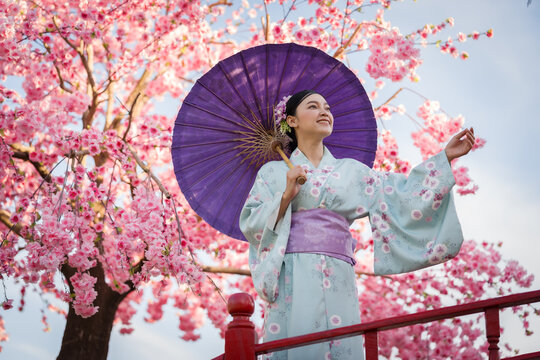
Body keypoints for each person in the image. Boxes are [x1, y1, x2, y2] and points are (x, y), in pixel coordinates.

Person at [239, 89, 475, 360]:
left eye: (327, 107)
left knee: (341, 341)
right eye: (313, 107)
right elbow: (251, 223)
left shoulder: (352, 171)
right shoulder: (274, 172)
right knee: (299, 340)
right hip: (293, 268)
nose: (324, 112)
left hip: (338, 272)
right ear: (291, 121)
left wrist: (445, 158)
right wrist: (285, 195)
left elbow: (400, 193)